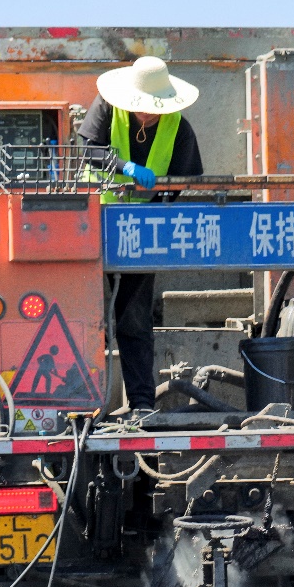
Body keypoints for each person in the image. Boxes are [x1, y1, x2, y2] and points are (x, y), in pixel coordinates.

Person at [77, 56, 204, 416]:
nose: (147, 116)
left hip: (140, 236)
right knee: (89, 319)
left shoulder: (179, 127)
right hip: (95, 230)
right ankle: (84, 405)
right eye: (142, 109)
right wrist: (124, 166)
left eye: (154, 110)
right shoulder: (107, 108)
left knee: (133, 321)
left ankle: (142, 403)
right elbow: (87, 148)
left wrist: (161, 201)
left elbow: (186, 176)